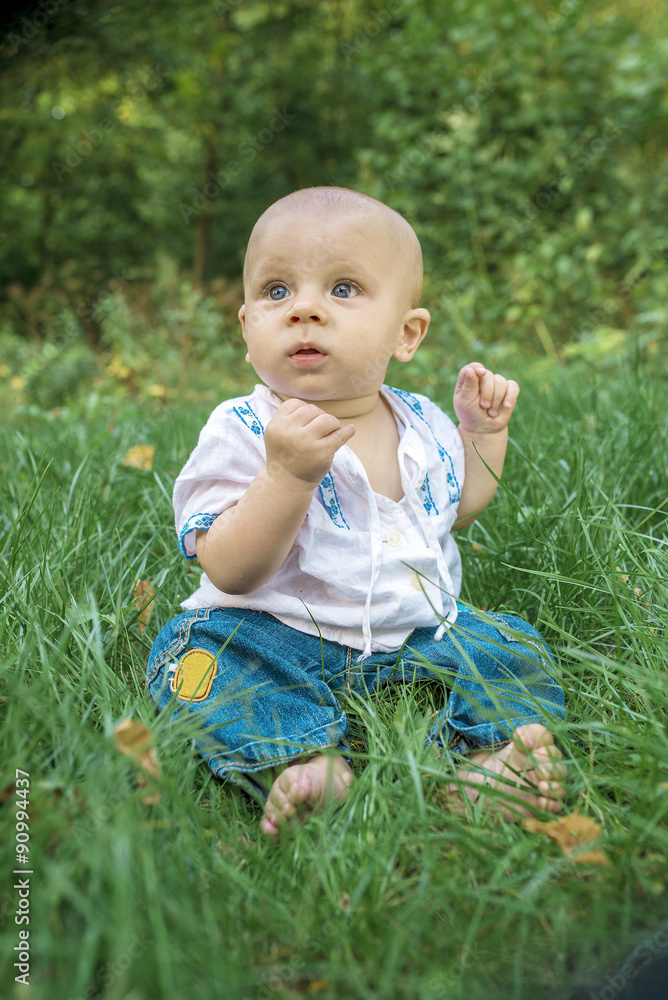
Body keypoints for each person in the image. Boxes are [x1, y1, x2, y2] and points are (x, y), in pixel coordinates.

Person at [146, 186, 566, 836]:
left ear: (407, 333)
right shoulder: (242, 428)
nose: (304, 310)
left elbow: (455, 512)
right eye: (277, 291)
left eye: (342, 290)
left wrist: (482, 437)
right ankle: (302, 763)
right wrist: (285, 476)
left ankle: (484, 765)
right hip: (273, 631)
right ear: (246, 326)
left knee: (509, 645)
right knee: (198, 662)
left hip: (419, 632)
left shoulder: (422, 423)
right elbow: (228, 569)